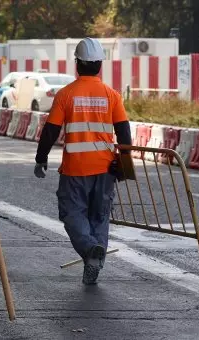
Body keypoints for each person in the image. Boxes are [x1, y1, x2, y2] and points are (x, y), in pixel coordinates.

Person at [34, 37, 132, 285]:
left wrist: (41, 158)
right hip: (105, 168)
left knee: (72, 213)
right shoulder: (112, 96)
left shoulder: (66, 95)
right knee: (99, 216)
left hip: (75, 169)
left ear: (77, 64)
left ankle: (90, 250)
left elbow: (51, 130)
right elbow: (124, 132)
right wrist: (124, 162)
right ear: (100, 65)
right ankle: (94, 260)